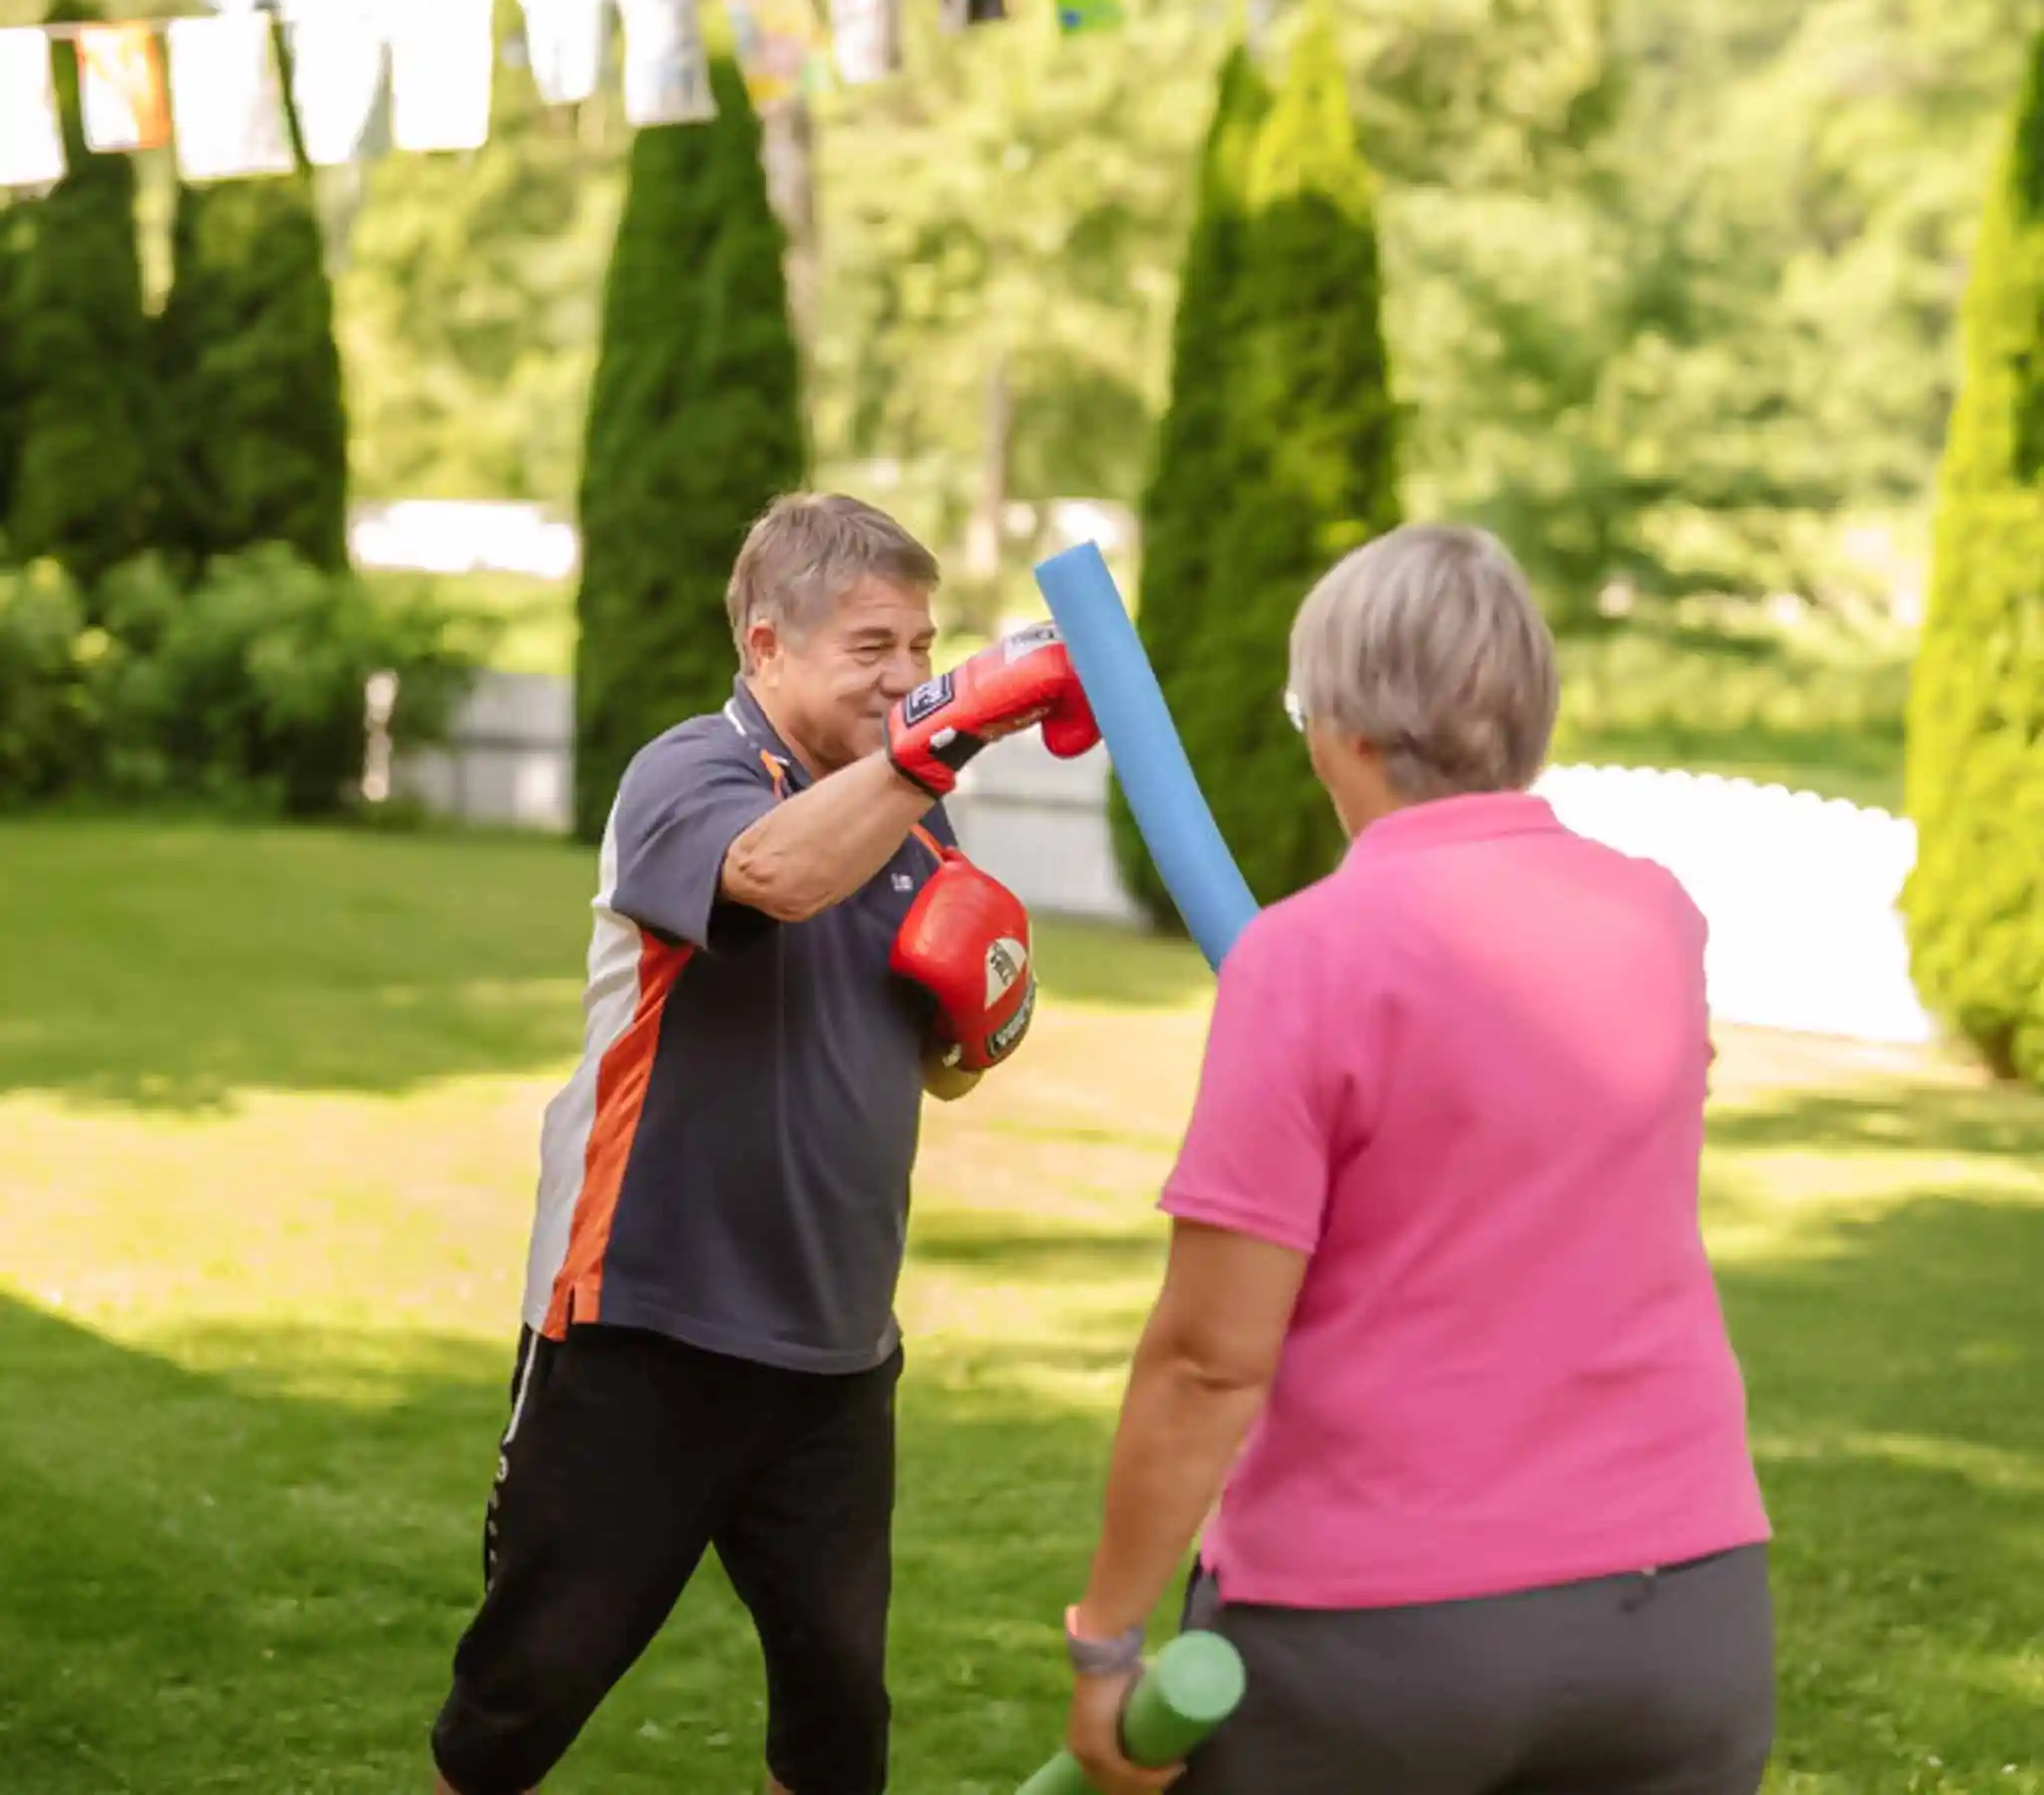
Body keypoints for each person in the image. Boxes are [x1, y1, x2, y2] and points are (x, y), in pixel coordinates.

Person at [1058, 523, 1775, 1795]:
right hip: (1681, 1619)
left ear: (1343, 728)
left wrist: (1108, 1635)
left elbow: (1208, 1358)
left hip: (1373, 1643)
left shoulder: (1304, 955)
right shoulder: (1655, 917)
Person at [430, 491, 1098, 1795]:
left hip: (835, 1350)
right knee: (526, 1694)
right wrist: (936, 742)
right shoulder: (690, 772)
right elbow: (777, 878)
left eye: (924, 647)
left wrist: (990, 1014)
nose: (906, 678)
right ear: (765, 647)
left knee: (840, 1723)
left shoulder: (916, 817)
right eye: (874, 652)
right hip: (646, 1325)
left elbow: (939, 1071)